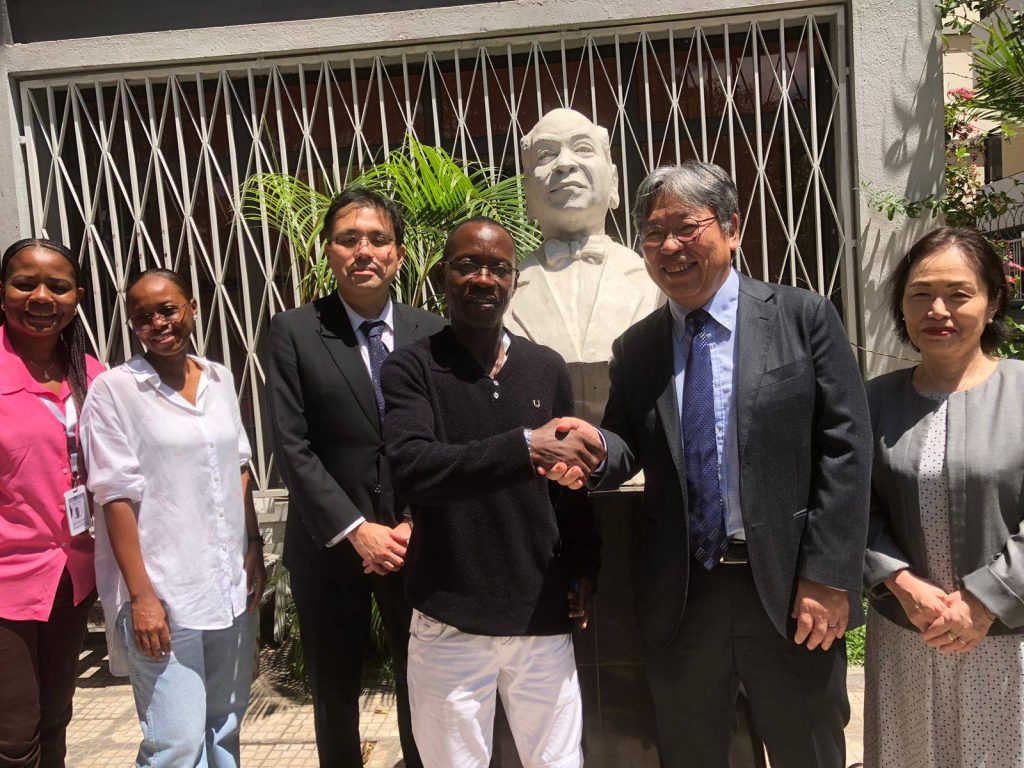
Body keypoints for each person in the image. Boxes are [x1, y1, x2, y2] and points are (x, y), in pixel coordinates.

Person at [559, 161, 872, 767]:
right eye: (654, 233)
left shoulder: (803, 317)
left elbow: (846, 447)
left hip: (790, 590)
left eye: (686, 227)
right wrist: (591, 449)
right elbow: (626, 442)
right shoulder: (638, 347)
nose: (669, 246)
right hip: (684, 597)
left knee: (807, 751)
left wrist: (829, 575)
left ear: (732, 228)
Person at [380, 217, 602, 768]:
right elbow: (413, 469)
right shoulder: (412, 368)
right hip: (450, 621)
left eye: (499, 268)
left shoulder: (546, 368)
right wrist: (525, 447)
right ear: (441, 277)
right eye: (468, 265)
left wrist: (583, 566)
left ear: (514, 282)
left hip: (540, 613)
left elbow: (568, 492)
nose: (484, 278)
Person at [266, 187, 444, 767]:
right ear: (328, 250)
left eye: (377, 239)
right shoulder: (294, 331)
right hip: (331, 544)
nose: (363, 251)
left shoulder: (433, 332)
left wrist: (415, 522)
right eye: (348, 239)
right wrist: (356, 529)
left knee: (424, 681)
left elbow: (447, 439)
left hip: (417, 542)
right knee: (335, 690)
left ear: (398, 254)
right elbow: (292, 447)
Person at [79, 268, 264, 768]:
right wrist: (142, 598)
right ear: (132, 324)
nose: (159, 323)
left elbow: (239, 468)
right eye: (143, 317)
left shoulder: (220, 378)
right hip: (163, 593)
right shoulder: (115, 391)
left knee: (225, 726)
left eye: (168, 310)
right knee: (176, 743)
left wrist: (253, 547)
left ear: (192, 309)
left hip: (226, 586)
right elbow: (114, 497)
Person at [863, 227, 1024, 767]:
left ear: (993, 301)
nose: (938, 310)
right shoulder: (874, 402)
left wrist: (984, 601)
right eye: (920, 294)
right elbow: (851, 506)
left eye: (958, 294)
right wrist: (901, 584)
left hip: (1009, 639)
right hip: (908, 635)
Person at [0, 238, 105, 768]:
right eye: (25, 284)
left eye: (57, 287)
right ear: (2, 292)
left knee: (55, 720)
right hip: (5, 582)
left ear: (77, 297)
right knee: (14, 736)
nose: (41, 297)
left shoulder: (92, 375)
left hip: (71, 577)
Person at [505, 108, 662, 364]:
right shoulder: (507, 291)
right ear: (528, 192)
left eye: (583, 148)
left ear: (613, 181)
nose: (564, 163)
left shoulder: (655, 280)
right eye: (546, 154)